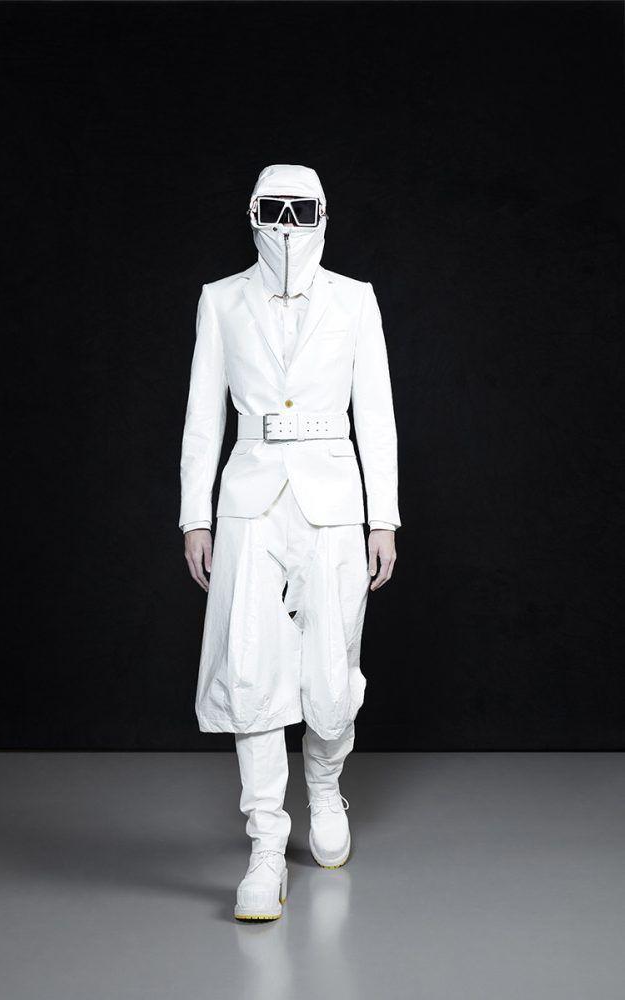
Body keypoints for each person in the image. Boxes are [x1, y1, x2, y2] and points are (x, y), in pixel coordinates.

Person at [179, 164, 400, 921]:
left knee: (331, 668)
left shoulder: (355, 300)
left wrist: (383, 517)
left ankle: (325, 787)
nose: (284, 225)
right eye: (271, 209)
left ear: (323, 215)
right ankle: (266, 842)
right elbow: (202, 415)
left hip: (332, 499)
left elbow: (376, 414)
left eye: (300, 210)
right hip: (251, 498)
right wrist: (195, 517)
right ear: (250, 212)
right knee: (249, 666)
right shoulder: (220, 300)